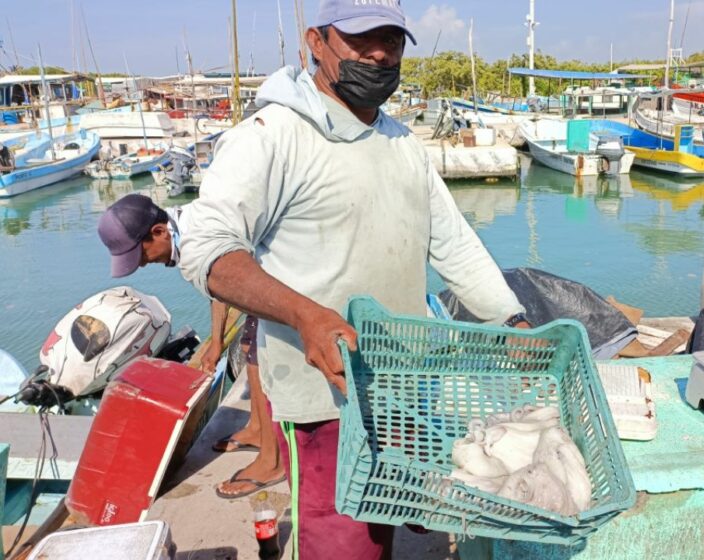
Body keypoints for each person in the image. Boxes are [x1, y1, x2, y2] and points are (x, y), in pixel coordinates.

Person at [177, 1, 530, 558]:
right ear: (316, 42)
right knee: (343, 539)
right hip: (326, 397)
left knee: (394, 517)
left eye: (391, 41)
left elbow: (453, 241)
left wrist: (509, 318)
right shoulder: (270, 135)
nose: (379, 54)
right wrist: (306, 315)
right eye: (362, 39)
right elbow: (207, 250)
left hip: (404, 383)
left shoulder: (402, 143)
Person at [96, 194, 287, 498]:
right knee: (250, 345)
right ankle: (256, 429)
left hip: (278, 273)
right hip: (251, 276)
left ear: (159, 231)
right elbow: (220, 290)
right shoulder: (184, 231)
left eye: (141, 255)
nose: (143, 264)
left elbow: (232, 282)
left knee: (258, 356)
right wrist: (215, 344)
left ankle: (273, 461)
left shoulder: (198, 241)